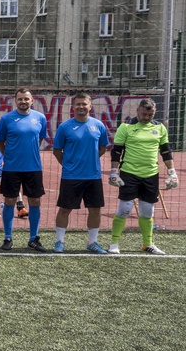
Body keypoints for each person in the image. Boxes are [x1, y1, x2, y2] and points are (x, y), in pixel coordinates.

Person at [108, 98, 178, 254]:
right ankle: (114, 243)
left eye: (150, 115)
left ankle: (147, 244)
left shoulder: (160, 128)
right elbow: (117, 151)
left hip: (151, 174)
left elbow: (166, 151)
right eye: (144, 114)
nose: (147, 118)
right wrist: (113, 172)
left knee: (147, 211)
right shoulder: (126, 127)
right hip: (129, 173)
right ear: (137, 111)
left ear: (154, 113)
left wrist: (172, 172)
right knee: (125, 208)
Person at [51, 93, 110, 253]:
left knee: (95, 209)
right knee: (64, 209)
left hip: (93, 176)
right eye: (78, 104)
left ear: (90, 106)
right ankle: (59, 241)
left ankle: (92, 242)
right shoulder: (65, 127)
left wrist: (90, 160)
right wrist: (69, 164)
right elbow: (57, 150)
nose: (81, 107)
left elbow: (103, 147)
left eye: (84, 104)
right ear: (73, 107)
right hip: (71, 176)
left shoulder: (98, 126)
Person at [0, 88, 49, 251]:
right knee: (10, 201)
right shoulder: (6, 119)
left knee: (35, 201)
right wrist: (10, 156)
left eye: (26, 99)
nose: (23, 102)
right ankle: (8, 237)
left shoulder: (40, 118)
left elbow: (39, 139)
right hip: (12, 168)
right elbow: (0, 142)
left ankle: (33, 238)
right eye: (20, 99)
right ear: (15, 101)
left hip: (33, 167)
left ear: (32, 101)